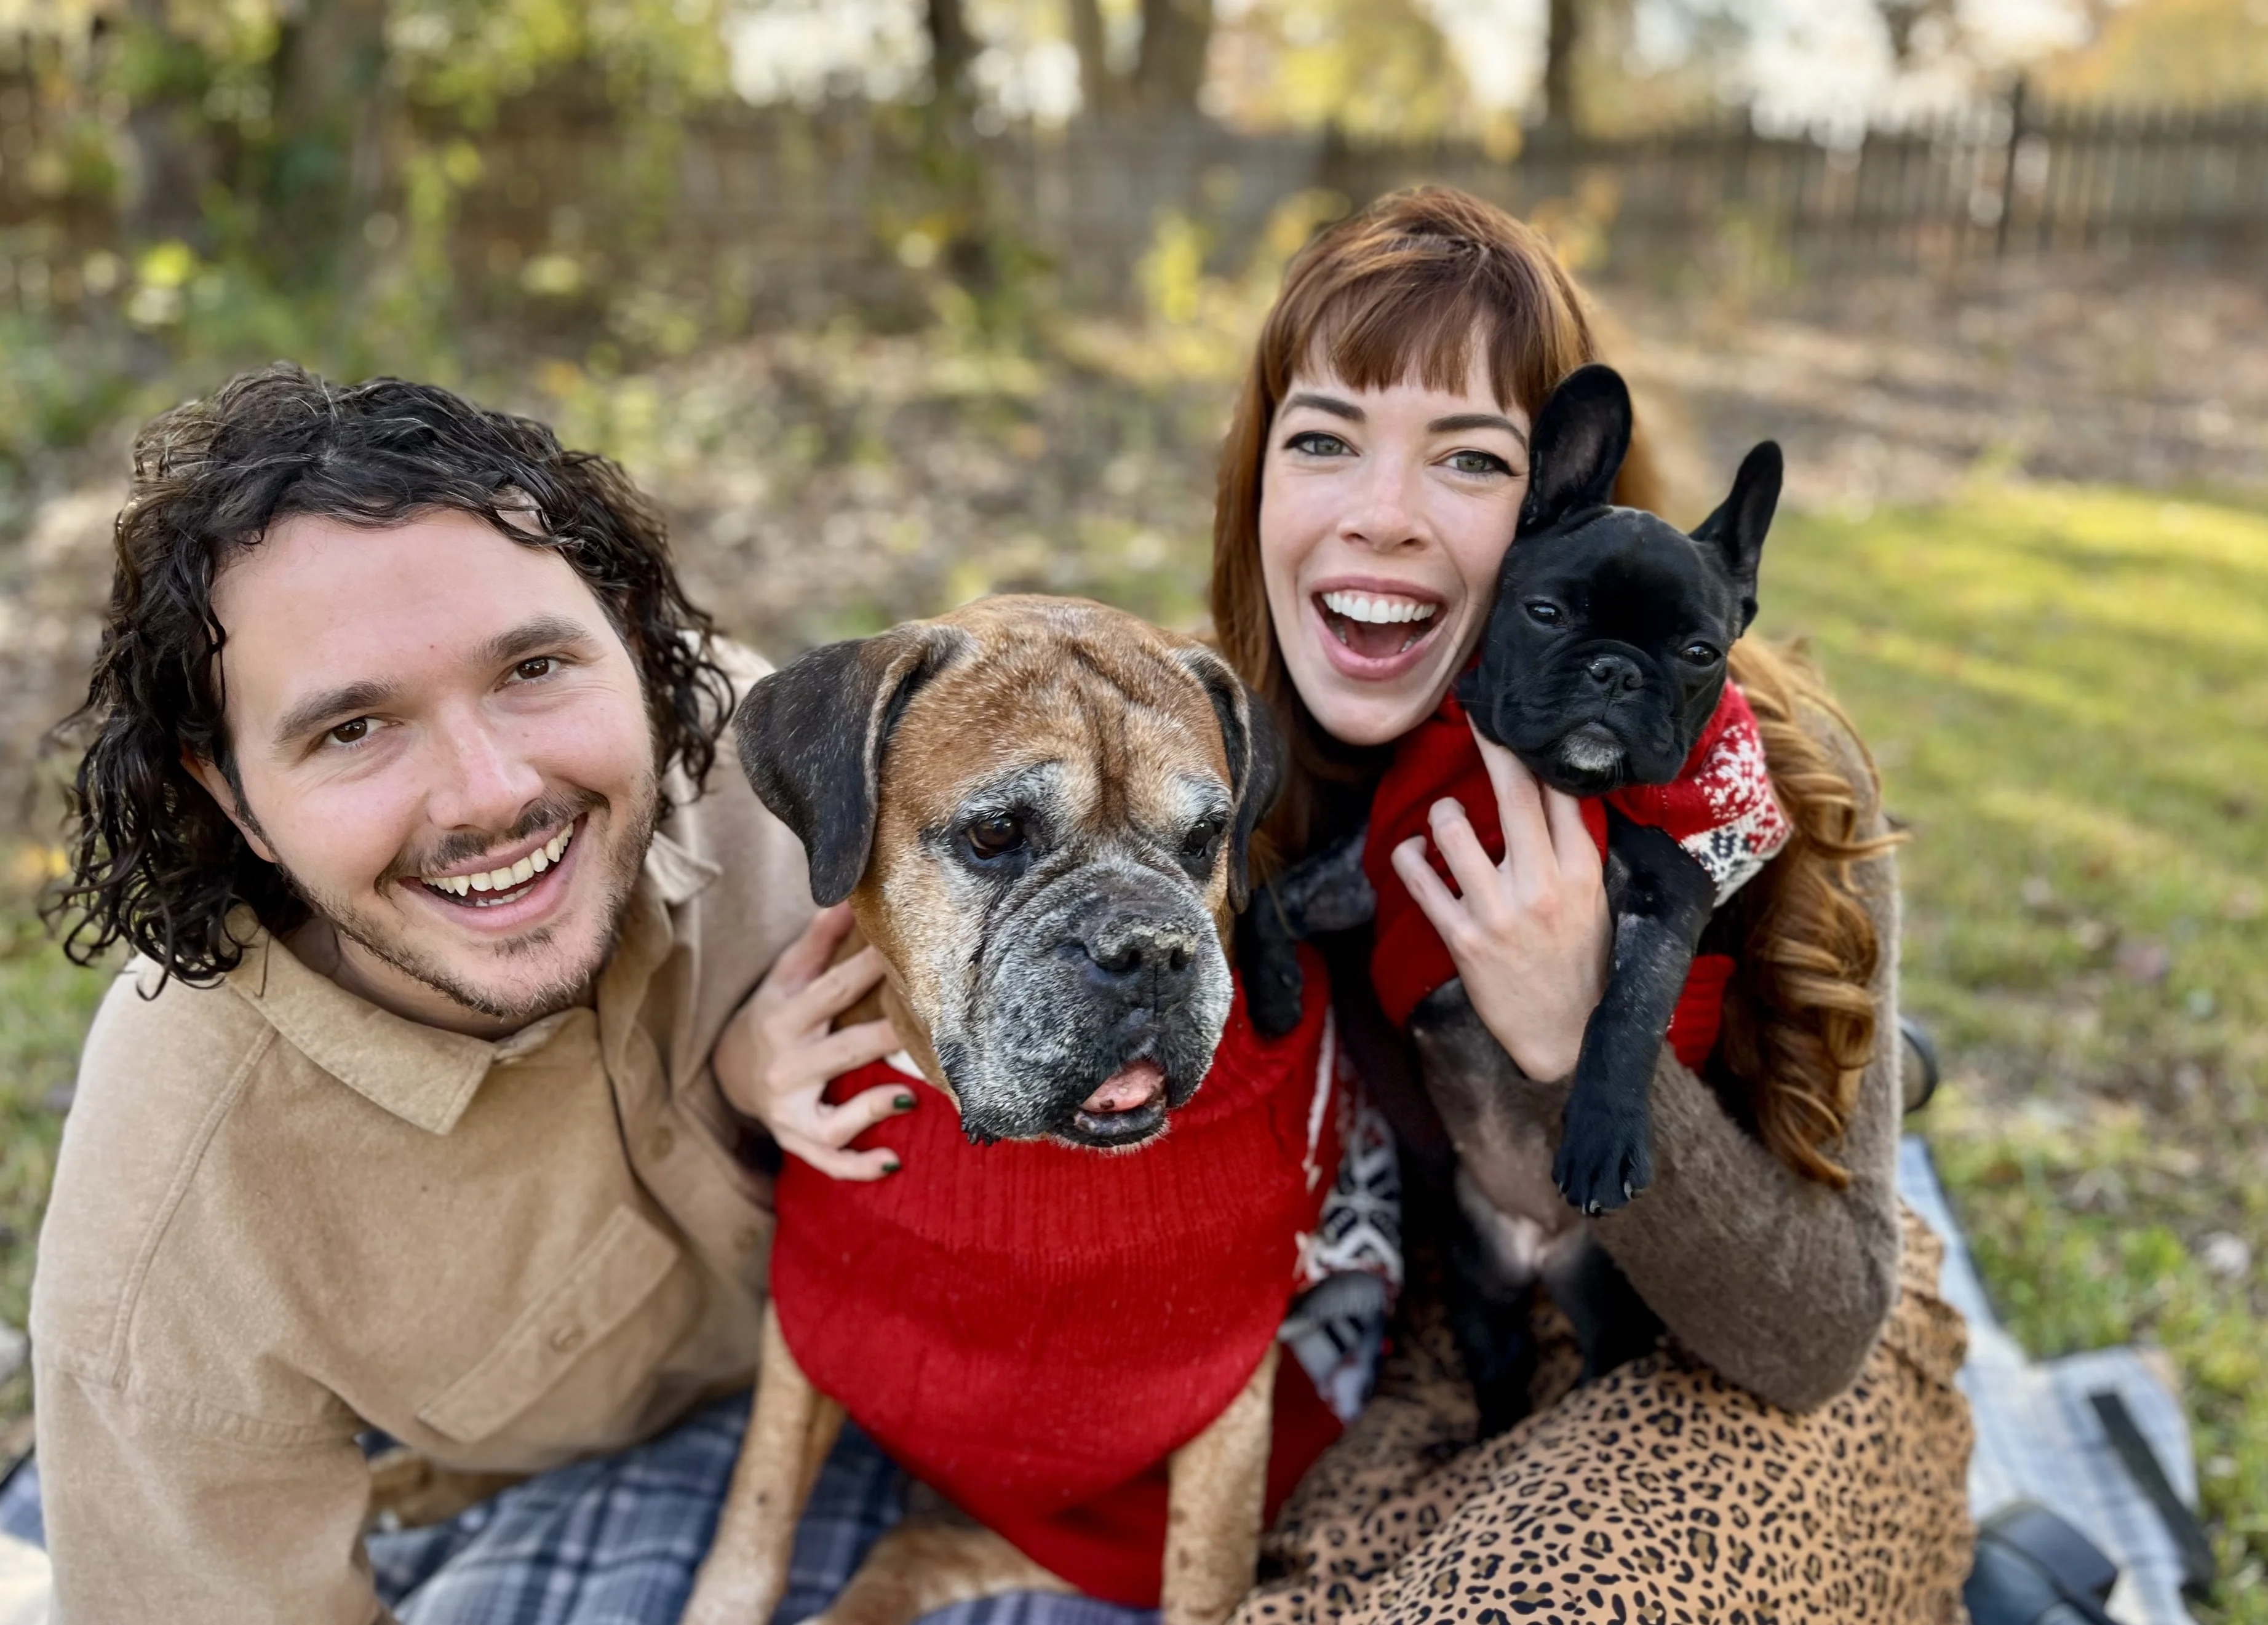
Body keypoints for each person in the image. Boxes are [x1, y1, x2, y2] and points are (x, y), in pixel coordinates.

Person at [21, 364, 931, 1623]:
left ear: (620, 631)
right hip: (530, 1487)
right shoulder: (178, 1211)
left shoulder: (778, 775)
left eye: (534, 667)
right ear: (231, 797)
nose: (492, 790)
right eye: (353, 729)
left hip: (915, 1392)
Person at [1196, 185, 1976, 1622]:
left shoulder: (1758, 783)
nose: (1381, 516)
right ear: (1259, 481)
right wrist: (749, 1069)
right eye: (1322, 439)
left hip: (1760, 1349)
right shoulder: (1217, 747)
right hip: (1457, 1314)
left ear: (1568, 492)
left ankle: (1998, 1550)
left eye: (1469, 459)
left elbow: (1808, 1333)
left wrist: (1572, 1037)